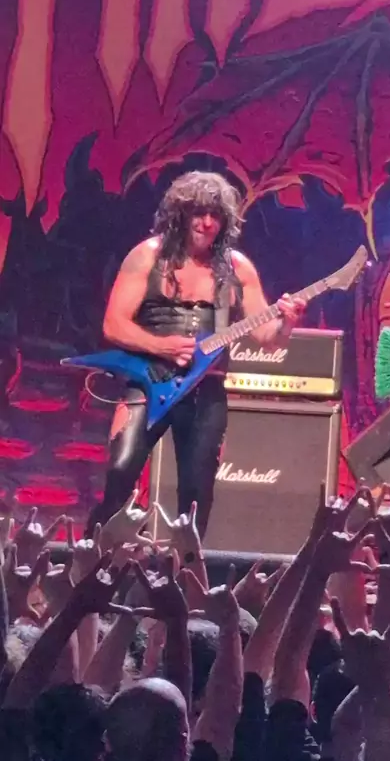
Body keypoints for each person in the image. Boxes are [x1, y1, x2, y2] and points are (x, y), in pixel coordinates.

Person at [87, 171, 304, 538]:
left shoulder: (237, 268)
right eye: (199, 213)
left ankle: (183, 568)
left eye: (215, 215)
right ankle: (91, 558)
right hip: (147, 384)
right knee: (121, 471)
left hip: (206, 392)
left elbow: (267, 337)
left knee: (197, 493)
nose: (207, 223)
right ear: (180, 214)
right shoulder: (147, 256)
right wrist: (161, 345)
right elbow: (114, 325)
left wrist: (287, 323)